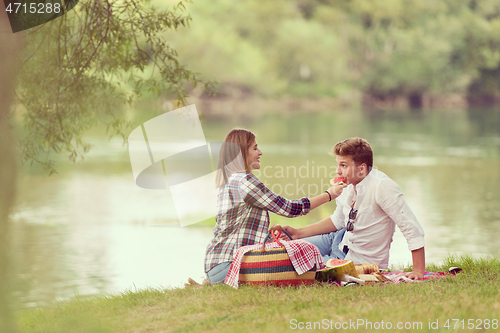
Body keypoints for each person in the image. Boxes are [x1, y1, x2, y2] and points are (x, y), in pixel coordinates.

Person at [186, 128, 347, 287]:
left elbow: (241, 231)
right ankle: (218, 283)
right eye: (255, 148)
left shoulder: (230, 180)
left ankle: (213, 283)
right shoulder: (244, 181)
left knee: (297, 250)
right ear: (242, 151)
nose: (260, 152)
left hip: (216, 264)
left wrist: (269, 238)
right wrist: (329, 195)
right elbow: (289, 209)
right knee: (305, 262)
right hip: (229, 264)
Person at [283, 137, 426, 280]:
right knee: (287, 250)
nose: (338, 171)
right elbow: (338, 220)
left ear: (362, 168)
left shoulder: (383, 187)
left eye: (343, 165)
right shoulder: (348, 184)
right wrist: (298, 233)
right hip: (338, 239)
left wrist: (418, 271)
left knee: (293, 264)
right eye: (338, 165)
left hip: (357, 261)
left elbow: (411, 227)